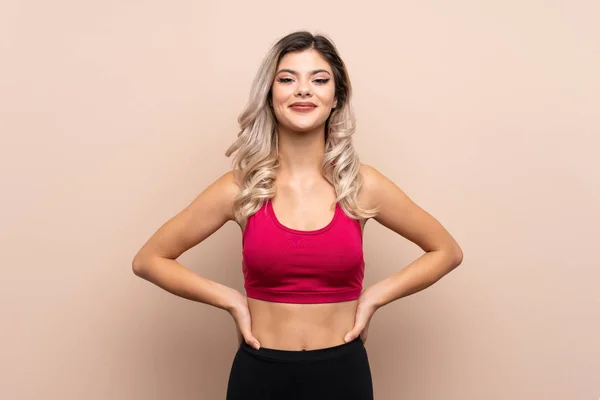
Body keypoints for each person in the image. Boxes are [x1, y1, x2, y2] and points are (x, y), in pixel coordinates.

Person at [132, 30, 463, 400]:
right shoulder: (240, 188)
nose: (303, 90)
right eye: (287, 79)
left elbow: (446, 251)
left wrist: (374, 297)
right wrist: (230, 300)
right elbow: (149, 260)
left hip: (343, 375)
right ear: (270, 96)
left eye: (319, 80)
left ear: (336, 98)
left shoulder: (361, 184)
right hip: (260, 374)